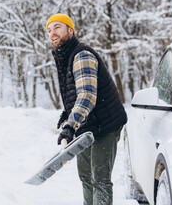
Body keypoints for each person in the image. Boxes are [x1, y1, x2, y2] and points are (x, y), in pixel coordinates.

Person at [46, 13, 127, 205]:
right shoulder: (65, 56)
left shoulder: (81, 54)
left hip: (105, 125)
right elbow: (75, 91)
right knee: (86, 179)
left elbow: (87, 95)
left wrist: (70, 126)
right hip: (87, 125)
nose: (52, 33)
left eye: (57, 27)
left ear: (70, 30)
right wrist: (68, 113)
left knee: (99, 180)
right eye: (49, 30)